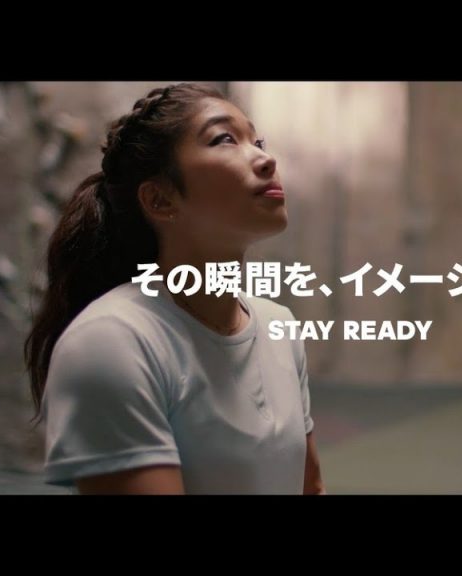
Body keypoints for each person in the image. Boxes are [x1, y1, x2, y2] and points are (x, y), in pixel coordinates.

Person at [24, 83, 325, 495]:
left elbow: (311, 487)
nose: (266, 158)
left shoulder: (278, 324)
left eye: (257, 142)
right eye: (224, 139)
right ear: (160, 199)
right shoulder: (112, 340)